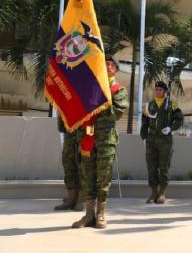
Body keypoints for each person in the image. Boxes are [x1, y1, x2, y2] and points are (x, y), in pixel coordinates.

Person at [72, 54, 128, 229]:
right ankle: (89, 214)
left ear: (116, 70)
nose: (109, 66)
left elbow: (115, 113)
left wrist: (101, 98)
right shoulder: (90, 87)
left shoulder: (119, 90)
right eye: (106, 64)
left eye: (112, 65)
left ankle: (101, 213)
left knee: (103, 177)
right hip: (87, 136)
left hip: (106, 139)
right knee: (87, 174)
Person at [140, 81, 183, 204]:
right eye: (157, 89)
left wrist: (171, 128)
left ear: (165, 92)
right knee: (151, 168)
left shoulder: (171, 105)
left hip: (165, 141)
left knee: (164, 168)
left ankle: (162, 193)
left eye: (160, 90)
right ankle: (154, 192)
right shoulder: (148, 106)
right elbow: (144, 124)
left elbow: (179, 119)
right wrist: (144, 138)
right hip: (151, 140)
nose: (158, 92)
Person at [53, 118, 84, 211]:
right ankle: (71, 198)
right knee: (68, 164)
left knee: (83, 166)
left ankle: (81, 199)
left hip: (84, 134)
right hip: (70, 132)